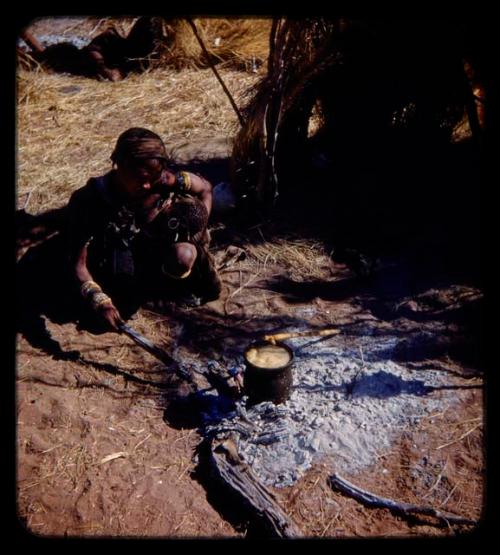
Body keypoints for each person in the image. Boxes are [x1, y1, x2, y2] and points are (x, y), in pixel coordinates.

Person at [66, 127, 222, 332]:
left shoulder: (166, 180)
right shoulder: (90, 200)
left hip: (155, 245)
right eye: (139, 178)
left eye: (153, 177)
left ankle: (170, 285)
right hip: (116, 254)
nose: (147, 185)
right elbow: (78, 264)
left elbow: (205, 189)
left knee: (184, 256)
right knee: (122, 300)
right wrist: (99, 299)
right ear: (118, 165)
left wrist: (197, 231)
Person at [19, 16, 166, 81]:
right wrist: (105, 69)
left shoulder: (139, 56)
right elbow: (92, 51)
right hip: (67, 58)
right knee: (34, 60)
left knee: (38, 55)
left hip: (68, 61)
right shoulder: (111, 39)